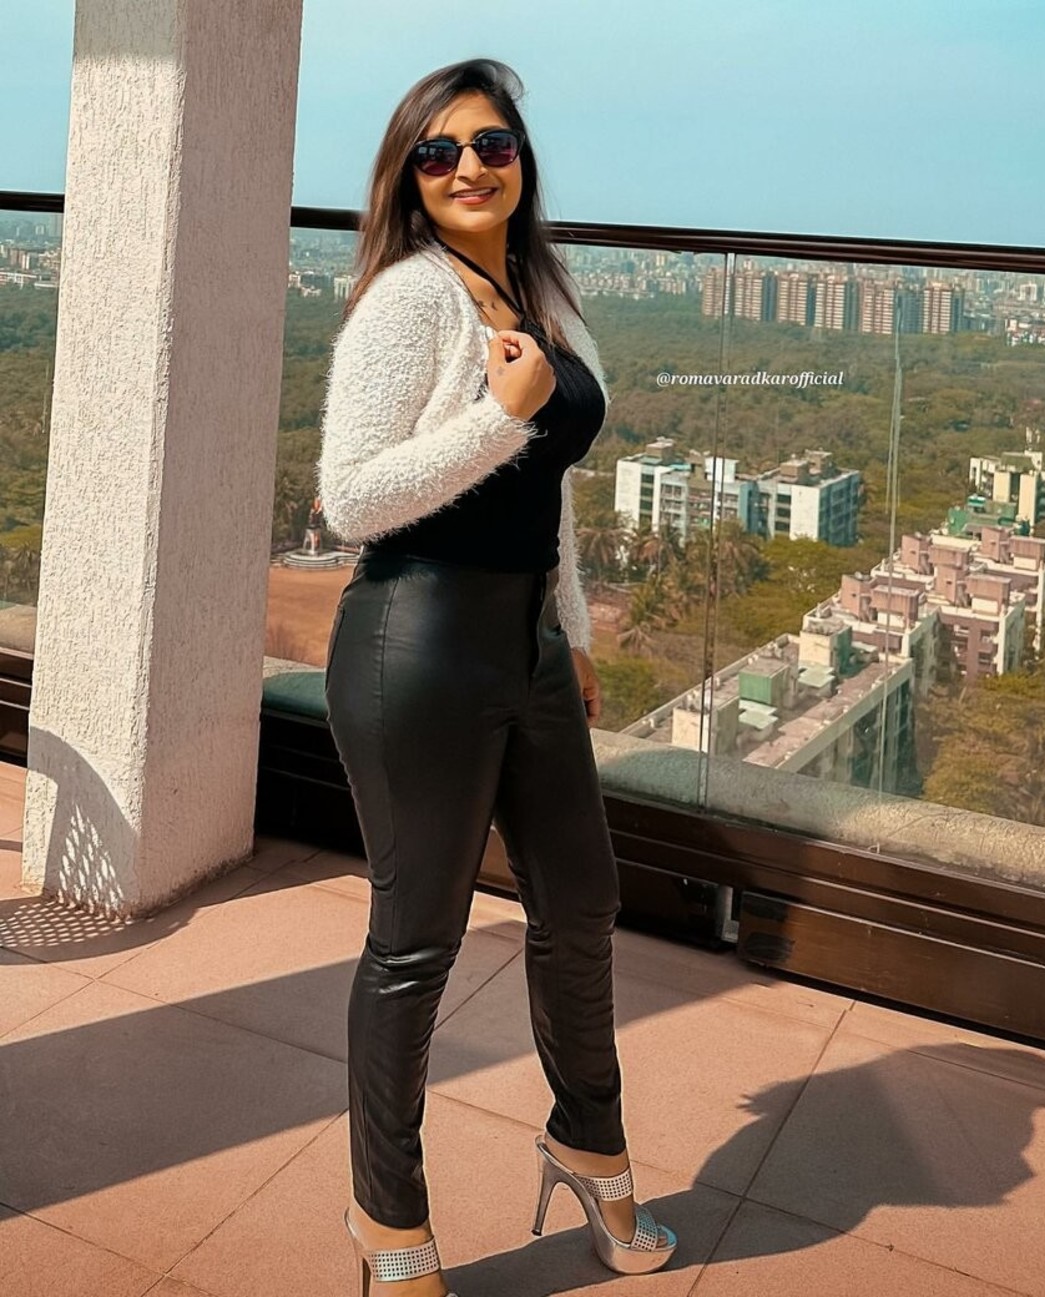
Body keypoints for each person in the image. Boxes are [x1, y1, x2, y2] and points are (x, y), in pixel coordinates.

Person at [318, 57, 678, 1297]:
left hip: (524, 644)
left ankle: (589, 1143)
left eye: (493, 144)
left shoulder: (540, 290)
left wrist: (568, 630)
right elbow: (350, 495)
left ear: (522, 161)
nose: (469, 166)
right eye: (440, 151)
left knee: (581, 903)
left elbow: (551, 492)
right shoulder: (410, 299)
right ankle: (387, 1219)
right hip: (414, 641)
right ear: (410, 177)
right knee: (415, 941)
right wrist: (500, 414)